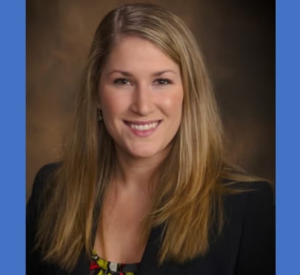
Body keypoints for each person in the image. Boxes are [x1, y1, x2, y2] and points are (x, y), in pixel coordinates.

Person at [26, 3, 275, 275]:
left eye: (162, 81)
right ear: (96, 94)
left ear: (190, 92)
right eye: (123, 81)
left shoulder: (248, 208)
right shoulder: (51, 190)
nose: (142, 106)